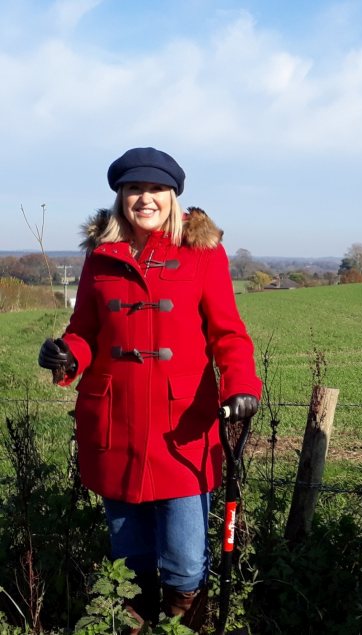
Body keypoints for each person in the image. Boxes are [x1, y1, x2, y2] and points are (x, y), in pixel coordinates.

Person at [38, 147, 262, 633]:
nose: (145, 198)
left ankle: (182, 626)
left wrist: (241, 384)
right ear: (121, 197)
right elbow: (86, 329)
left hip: (182, 431)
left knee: (184, 561)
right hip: (114, 428)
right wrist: (68, 354)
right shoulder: (101, 257)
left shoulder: (202, 253)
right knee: (130, 560)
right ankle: (133, 626)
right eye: (134, 189)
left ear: (172, 196)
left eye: (156, 189)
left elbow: (229, 333)